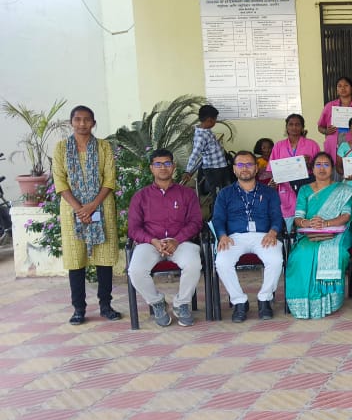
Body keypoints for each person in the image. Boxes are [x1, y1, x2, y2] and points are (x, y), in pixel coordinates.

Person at [55, 105, 122, 325]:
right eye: (77, 119)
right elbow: (60, 181)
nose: (82, 124)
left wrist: (92, 205)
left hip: (101, 207)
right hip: (71, 210)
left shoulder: (103, 147)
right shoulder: (61, 148)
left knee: (104, 259)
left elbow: (110, 179)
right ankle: (79, 309)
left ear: (93, 123)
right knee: (76, 260)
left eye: (87, 120)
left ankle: (106, 306)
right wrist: (79, 208)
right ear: (71, 122)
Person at [127, 149, 203, 327]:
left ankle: (181, 303)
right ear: (151, 168)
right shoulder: (141, 196)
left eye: (167, 163)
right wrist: (152, 241)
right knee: (135, 270)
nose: (163, 167)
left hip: (180, 242)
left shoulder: (187, 194)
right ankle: (157, 302)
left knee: (193, 264)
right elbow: (133, 228)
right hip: (150, 243)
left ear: (173, 166)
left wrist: (177, 239)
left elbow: (196, 222)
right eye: (158, 164)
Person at [286, 152, 352, 319]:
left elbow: (346, 216)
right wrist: (309, 223)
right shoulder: (305, 190)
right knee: (300, 255)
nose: (322, 168)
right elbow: (298, 218)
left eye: (326, 165)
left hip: (337, 234)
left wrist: (326, 224)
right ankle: (302, 303)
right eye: (318, 165)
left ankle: (329, 302)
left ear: (332, 169)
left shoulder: (343, 190)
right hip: (309, 234)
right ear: (312, 169)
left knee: (334, 251)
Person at [213, 151, 284, 323]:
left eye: (249, 164)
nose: (244, 168)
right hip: (234, 237)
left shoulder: (269, 192)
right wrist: (222, 235)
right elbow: (218, 218)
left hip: (264, 235)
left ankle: (265, 299)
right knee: (222, 262)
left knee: (275, 260)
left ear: (256, 168)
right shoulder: (225, 193)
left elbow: (277, 216)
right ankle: (239, 301)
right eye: (240, 165)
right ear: (234, 169)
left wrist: (273, 232)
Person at [268, 114, 321, 226]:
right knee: (290, 223)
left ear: (302, 127)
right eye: (291, 124)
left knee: (309, 218)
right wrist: (274, 181)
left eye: (297, 124)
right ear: (286, 127)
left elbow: (320, 168)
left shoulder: (312, 144)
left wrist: (309, 164)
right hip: (286, 188)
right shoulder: (278, 146)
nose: (294, 127)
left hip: (307, 186)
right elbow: (273, 169)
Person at [317, 76, 352, 162]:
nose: (343, 88)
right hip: (333, 145)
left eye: (346, 85)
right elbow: (320, 127)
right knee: (334, 168)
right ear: (337, 90)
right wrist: (326, 131)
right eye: (340, 86)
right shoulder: (329, 106)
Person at [181, 104, 230, 193]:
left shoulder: (206, 131)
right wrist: (188, 171)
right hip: (214, 170)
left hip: (220, 166)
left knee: (225, 190)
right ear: (209, 120)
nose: (216, 122)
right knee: (217, 192)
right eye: (215, 119)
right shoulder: (201, 136)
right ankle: (217, 202)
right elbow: (194, 155)